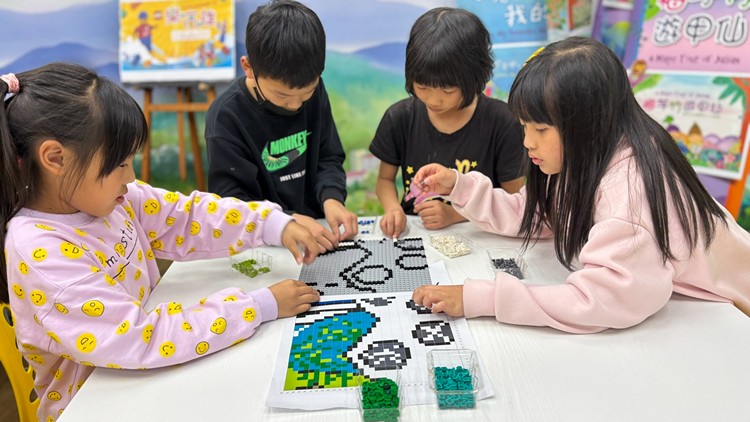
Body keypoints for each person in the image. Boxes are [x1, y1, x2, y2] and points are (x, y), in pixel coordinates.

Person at [0, 63, 321, 421]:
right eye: (119, 164)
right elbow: (141, 337)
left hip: (145, 376)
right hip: (96, 405)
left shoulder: (111, 198)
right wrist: (256, 306)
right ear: (56, 158)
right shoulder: (42, 253)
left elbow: (187, 217)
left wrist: (271, 223)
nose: (131, 177)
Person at [411, 37, 750, 333]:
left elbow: (602, 301)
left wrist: (481, 297)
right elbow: (534, 214)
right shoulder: (590, 153)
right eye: (524, 127)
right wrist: (458, 186)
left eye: (540, 130)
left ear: (588, 124)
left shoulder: (629, 190)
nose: (527, 142)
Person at [205, 0, 357, 252]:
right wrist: (284, 221)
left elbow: (328, 156)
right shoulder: (226, 117)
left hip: (316, 230)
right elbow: (232, 202)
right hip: (260, 241)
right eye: (283, 96)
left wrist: (332, 198)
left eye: (306, 93)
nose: (295, 105)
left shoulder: (314, 90)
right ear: (248, 68)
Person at [369, 7, 525, 239]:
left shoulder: (502, 122)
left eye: (448, 90)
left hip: (481, 234)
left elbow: (515, 202)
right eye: (422, 87)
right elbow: (384, 180)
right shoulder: (399, 117)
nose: (434, 100)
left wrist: (455, 214)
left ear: (474, 78)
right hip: (415, 233)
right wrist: (393, 209)